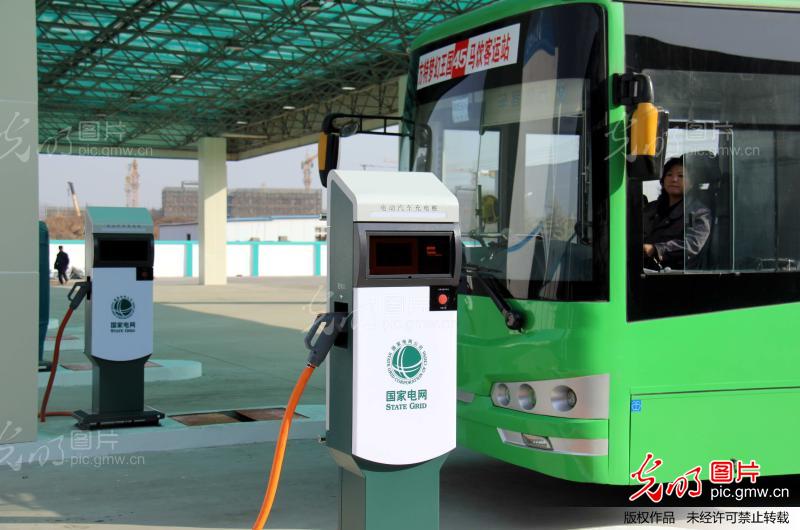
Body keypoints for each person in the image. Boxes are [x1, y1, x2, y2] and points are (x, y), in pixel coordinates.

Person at [643, 157, 711, 270]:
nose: (674, 179)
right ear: (663, 180)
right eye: (669, 175)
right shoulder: (651, 208)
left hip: (676, 272)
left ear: (692, 183)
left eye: (681, 176)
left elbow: (692, 244)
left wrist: (656, 249)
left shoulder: (699, 212)